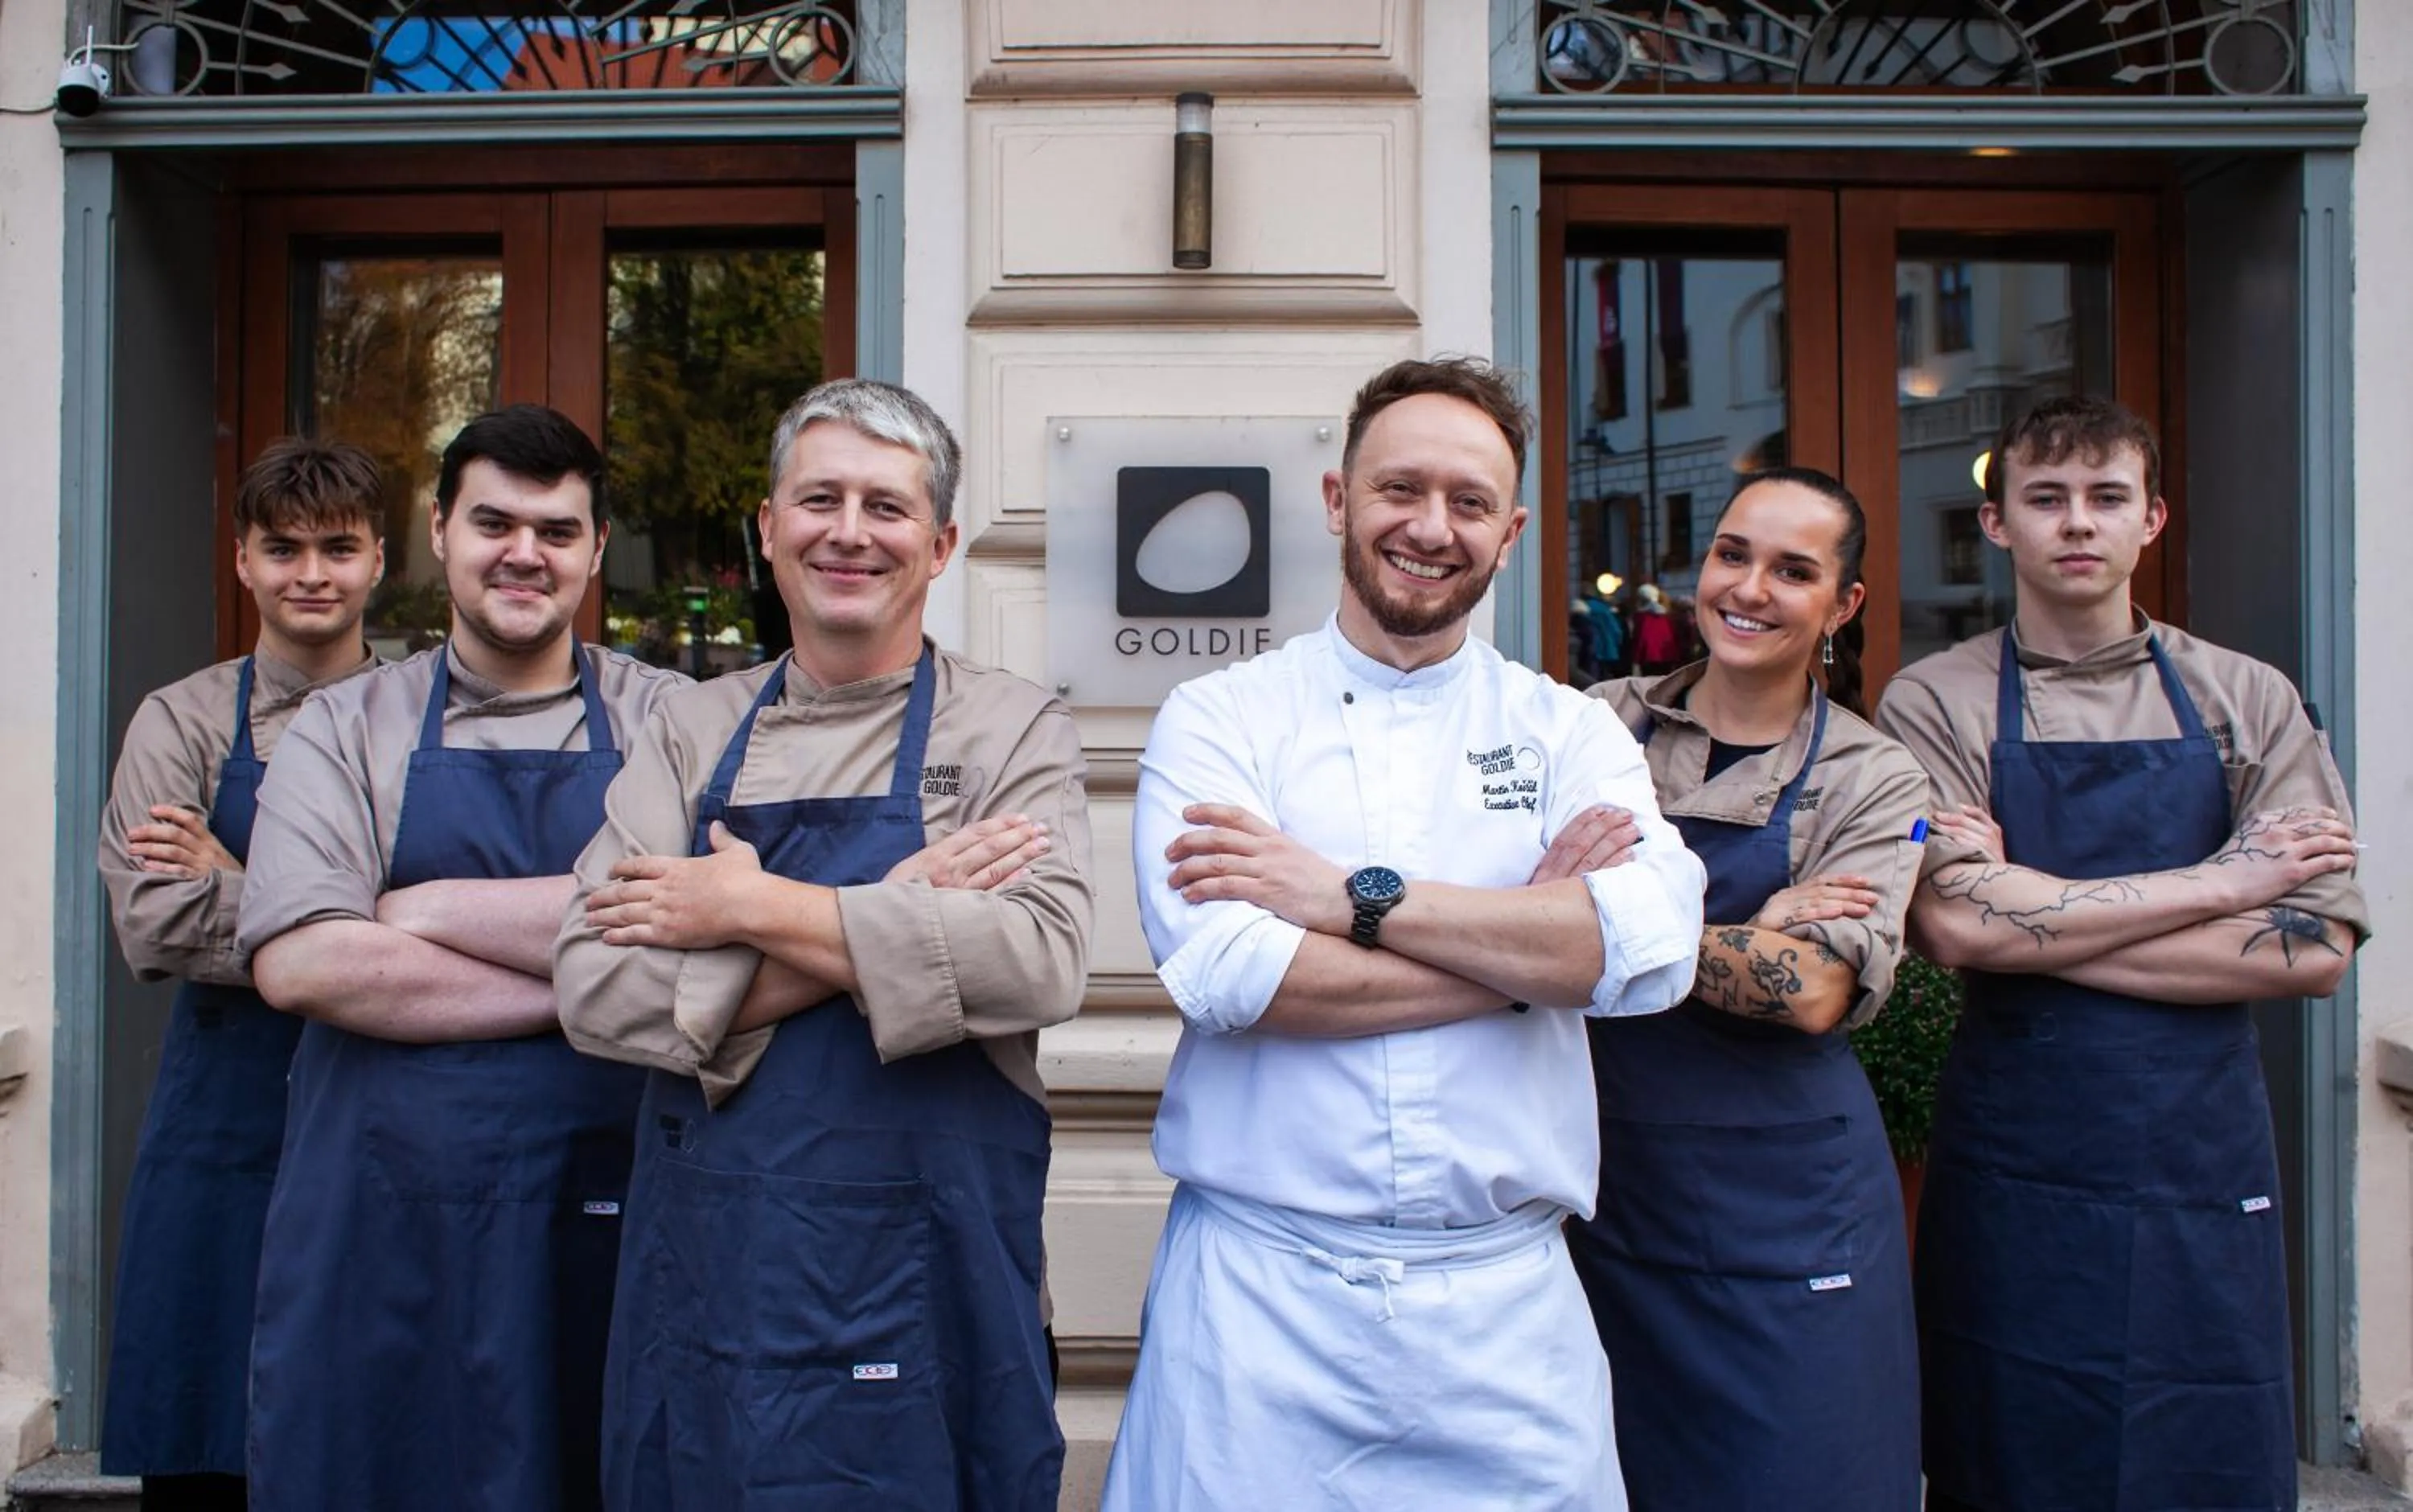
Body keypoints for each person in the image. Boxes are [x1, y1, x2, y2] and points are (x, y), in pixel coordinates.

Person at [1100, 357, 1706, 1510]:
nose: (1432, 529)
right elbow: (1238, 975)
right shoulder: (1222, 719)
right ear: (1338, 500)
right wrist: (1533, 958)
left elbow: (1650, 946)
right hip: (1260, 1313)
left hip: (1504, 1320)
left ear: (1512, 529)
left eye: (1470, 503)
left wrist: (1352, 899)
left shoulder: (1565, 729)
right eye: (1400, 491)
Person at [553, 378, 1091, 1510]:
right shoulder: (689, 729)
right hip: (714, 1277)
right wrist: (893, 906)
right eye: (821, 500)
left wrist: (747, 907)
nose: (850, 533)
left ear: (941, 543)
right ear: (768, 526)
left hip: (938, 1270)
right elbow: (596, 988)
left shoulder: (1010, 727)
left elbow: (1038, 957)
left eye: (888, 508)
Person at [1877, 396, 2369, 1512]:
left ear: (2153, 517)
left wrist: (2029, 923)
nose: (2077, 525)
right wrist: (2225, 886)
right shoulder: (1935, 699)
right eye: (2045, 500)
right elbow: (1950, 927)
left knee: (2204, 1450)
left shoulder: (2247, 698)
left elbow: (2312, 950)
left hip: (2202, 1156)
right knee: (2010, 1448)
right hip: (2017, 1158)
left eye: (2106, 499)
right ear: (1997, 524)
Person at [234, 405, 685, 1512]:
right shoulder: (343, 727)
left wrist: (421, 908)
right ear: (440, 532)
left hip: (614, 1216)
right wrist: (600, 964)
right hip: (384, 1225)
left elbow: (702, 930)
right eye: (494, 522)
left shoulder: (677, 722)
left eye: (556, 529)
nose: (524, 553)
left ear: (591, 548)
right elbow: (307, 964)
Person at [1570, 467, 1929, 1512]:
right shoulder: (1595, 726)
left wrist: (1590, 922)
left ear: (1842, 604)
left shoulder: (1875, 778)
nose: (1751, 587)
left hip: (1789, 1217)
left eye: (1794, 569)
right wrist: (1745, 936)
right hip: (1601, 1193)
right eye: (1733, 554)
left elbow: (1812, 991)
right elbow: (1501, 907)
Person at [96, 439, 386, 1512]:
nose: (312, 573)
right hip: (219, 1128)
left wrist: (244, 878)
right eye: (284, 549)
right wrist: (357, 913)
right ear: (242, 562)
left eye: (338, 548)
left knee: (366, 1425)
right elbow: (153, 922)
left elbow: (465, 908)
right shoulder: (177, 722)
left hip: (375, 1106)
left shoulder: (423, 719)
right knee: (204, 1435)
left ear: (380, 561)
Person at [1633, 581, 1681, 674]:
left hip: (1648, 656)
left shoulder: (1642, 616)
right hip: (1667, 654)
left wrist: (1637, 656)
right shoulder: (1666, 616)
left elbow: (1641, 637)